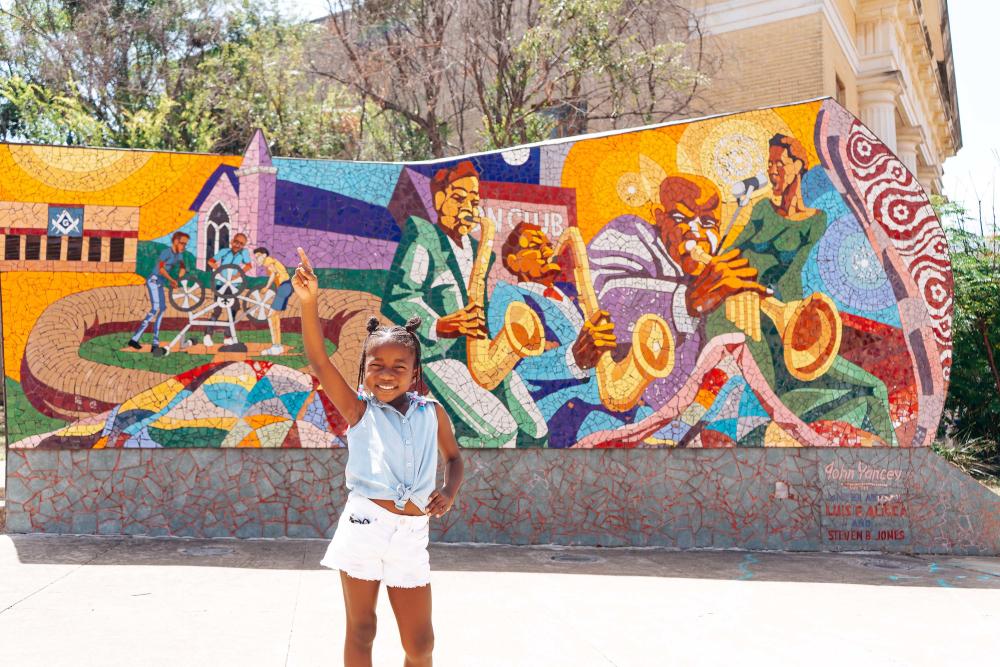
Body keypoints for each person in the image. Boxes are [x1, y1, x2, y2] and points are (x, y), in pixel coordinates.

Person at [293, 247, 464, 667]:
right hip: (365, 526)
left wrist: (449, 490)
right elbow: (318, 359)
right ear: (364, 369)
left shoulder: (433, 413)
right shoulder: (359, 411)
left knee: (421, 644)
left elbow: (455, 458)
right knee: (362, 628)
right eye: (377, 365)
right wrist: (310, 302)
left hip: (411, 535)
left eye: (398, 367)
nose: (386, 374)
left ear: (415, 372)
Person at [721, 133, 896, 445]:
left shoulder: (816, 220)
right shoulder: (761, 209)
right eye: (770, 164)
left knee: (875, 389)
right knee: (784, 402)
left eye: (780, 163)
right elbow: (732, 254)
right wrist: (737, 286)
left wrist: (770, 299)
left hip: (798, 327)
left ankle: (893, 474)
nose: (773, 171)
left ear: (799, 165)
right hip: (761, 324)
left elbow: (798, 266)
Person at [381, 160, 546, 448]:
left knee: (536, 425)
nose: (468, 208)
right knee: (502, 431)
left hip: (477, 352)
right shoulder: (425, 237)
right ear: (440, 200)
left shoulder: (477, 248)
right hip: (439, 355)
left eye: (474, 200)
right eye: (459, 198)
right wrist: (440, 325)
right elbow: (399, 297)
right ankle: (447, 456)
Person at [489, 222, 650, 447]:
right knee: (605, 423)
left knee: (646, 415)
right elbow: (512, 366)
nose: (548, 251)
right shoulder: (508, 295)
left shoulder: (572, 292)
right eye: (536, 247)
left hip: (599, 391)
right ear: (515, 263)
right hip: (555, 402)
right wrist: (572, 358)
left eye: (548, 245)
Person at [127, 231, 189, 357]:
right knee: (155, 309)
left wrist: (177, 278)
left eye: (185, 244)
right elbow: (161, 269)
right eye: (182, 243)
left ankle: (154, 343)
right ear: (176, 241)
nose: (184, 246)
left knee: (162, 309)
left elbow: (182, 267)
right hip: (154, 280)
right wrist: (171, 280)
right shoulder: (166, 252)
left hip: (160, 282)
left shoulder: (179, 255)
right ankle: (135, 339)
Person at [204, 232, 253, 347]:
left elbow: (249, 265)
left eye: (241, 244)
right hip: (221, 284)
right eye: (236, 242)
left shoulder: (243, 253)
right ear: (232, 241)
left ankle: (227, 335)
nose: (238, 245)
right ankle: (208, 335)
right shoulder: (224, 251)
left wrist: (238, 275)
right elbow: (210, 261)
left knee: (234, 308)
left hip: (232, 285)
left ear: (244, 245)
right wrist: (219, 269)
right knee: (218, 309)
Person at [252, 247, 292, 356]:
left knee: (272, 316)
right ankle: (277, 346)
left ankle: (276, 347)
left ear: (264, 255)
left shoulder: (268, 261)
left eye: (258, 257)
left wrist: (266, 287)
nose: (257, 260)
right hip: (285, 287)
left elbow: (274, 274)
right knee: (274, 316)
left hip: (284, 287)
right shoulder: (271, 261)